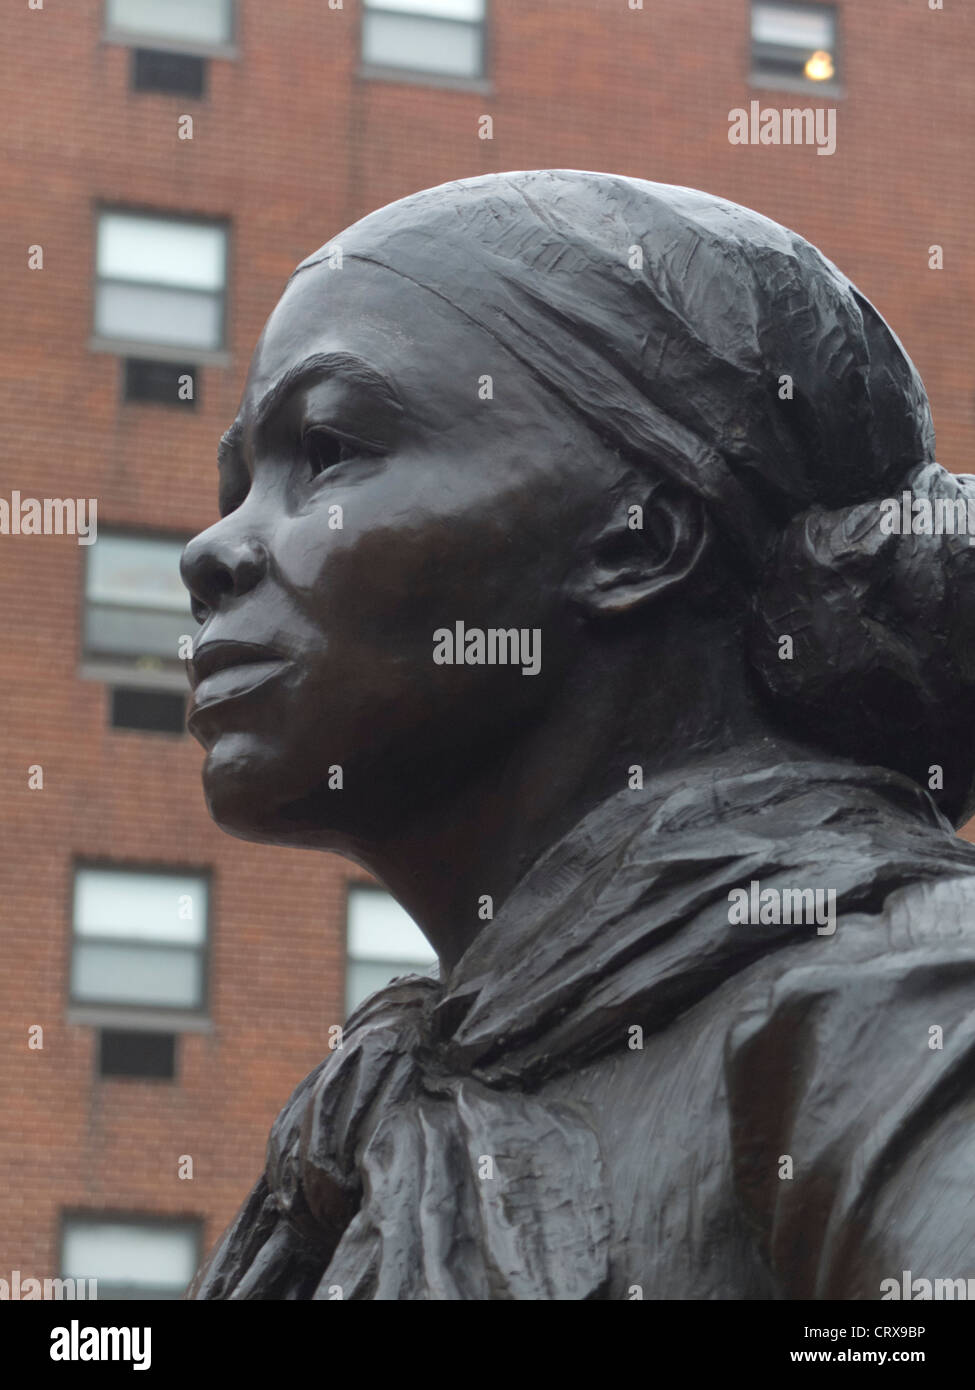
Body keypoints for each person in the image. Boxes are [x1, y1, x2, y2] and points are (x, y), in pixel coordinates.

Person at [180, 170, 975, 1300]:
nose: (211, 548)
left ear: (641, 536)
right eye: (237, 481)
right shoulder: (362, 1134)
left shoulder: (910, 998)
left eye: (330, 450)